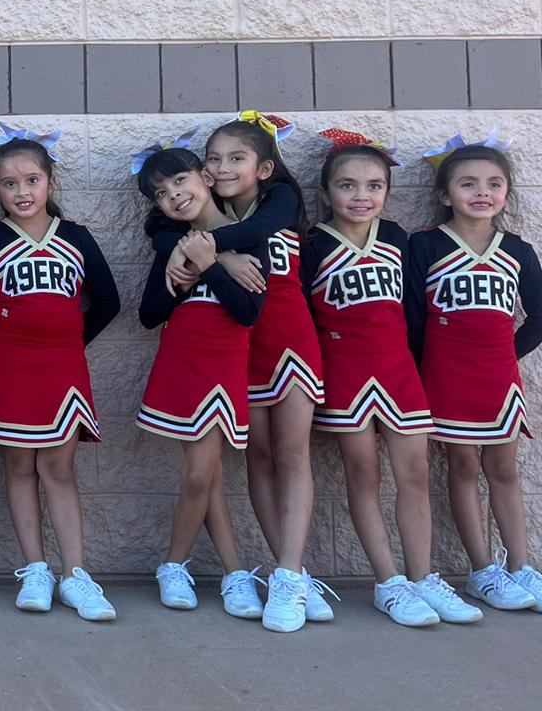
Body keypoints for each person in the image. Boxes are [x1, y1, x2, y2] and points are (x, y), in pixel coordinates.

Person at [304, 131, 479, 627]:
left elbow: (418, 312)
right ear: (325, 192)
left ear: (387, 191)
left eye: (374, 186)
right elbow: (302, 318)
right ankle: (389, 583)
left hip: (399, 369)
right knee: (362, 473)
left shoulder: (399, 239)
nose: (361, 196)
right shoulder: (311, 244)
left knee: (414, 473)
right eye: (347, 185)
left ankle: (423, 577)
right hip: (344, 372)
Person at [166, 113, 324, 631]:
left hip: (291, 339)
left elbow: (255, 232)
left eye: (237, 158)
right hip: (239, 343)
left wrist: (210, 253)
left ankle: (291, 573)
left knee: (292, 453)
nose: (223, 167)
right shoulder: (195, 210)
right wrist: (193, 252)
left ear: (265, 167)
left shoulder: (280, 200)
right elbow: (164, 236)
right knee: (257, 456)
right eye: (214, 158)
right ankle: (286, 570)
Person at [0, 129, 120, 621]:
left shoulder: (75, 236)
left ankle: (75, 574)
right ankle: (35, 570)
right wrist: (17, 329)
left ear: (50, 182)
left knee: (58, 468)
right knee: (18, 467)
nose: (22, 191)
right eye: (9, 183)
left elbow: (108, 300)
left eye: (32, 180)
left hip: (64, 368)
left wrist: (66, 339)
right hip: (10, 365)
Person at [133, 140, 266, 623]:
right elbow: (149, 314)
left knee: (200, 475)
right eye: (161, 192)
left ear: (206, 179)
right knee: (204, 475)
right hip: (182, 363)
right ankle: (233, 573)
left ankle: (174, 563)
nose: (173, 194)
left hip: (224, 367)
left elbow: (248, 312)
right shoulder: (174, 245)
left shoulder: (250, 237)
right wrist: (184, 273)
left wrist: (211, 264)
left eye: (180, 180)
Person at [409, 134, 542, 612]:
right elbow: (413, 319)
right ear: (445, 195)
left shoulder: (518, 250)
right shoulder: (426, 245)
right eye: (467, 183)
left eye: (493, 183)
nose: (482, 192)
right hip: (446, 376)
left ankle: (522, 567)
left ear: (506, 193)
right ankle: (482, 570)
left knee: (503, 469)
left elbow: (539, 316)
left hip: (499, 378)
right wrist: (424, 369)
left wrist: (507, 353)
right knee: (463, 467)